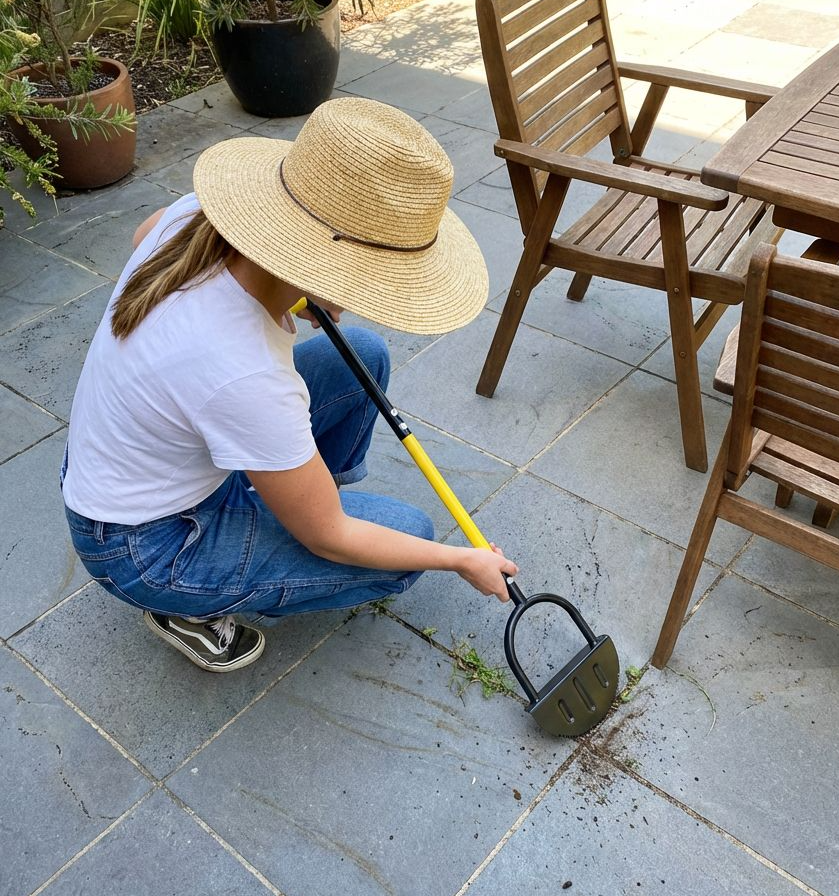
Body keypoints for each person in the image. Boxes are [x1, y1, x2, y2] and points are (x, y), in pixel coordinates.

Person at [61, 97, 518, 673]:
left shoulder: (194, 218)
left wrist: (288, 290)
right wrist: (459, 560)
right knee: (408, 543)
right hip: (146, 546)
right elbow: (329, 536)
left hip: (126, 467)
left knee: (363, 355)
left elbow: (139, 236)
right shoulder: (245, 372)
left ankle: (289, 493)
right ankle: (185, 602)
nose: (364, 299)